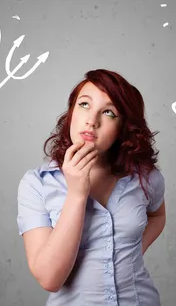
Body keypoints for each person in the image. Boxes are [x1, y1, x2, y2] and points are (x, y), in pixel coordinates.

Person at [17, 69, 166, 305]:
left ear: (123, 128)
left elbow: (157, 215)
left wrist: (129, 252)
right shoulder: (37, 184)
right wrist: (77, 194)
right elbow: (49, 279)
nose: (91, 120)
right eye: (84, 104)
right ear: (71, 113)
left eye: (108, 112)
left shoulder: (146, 177)